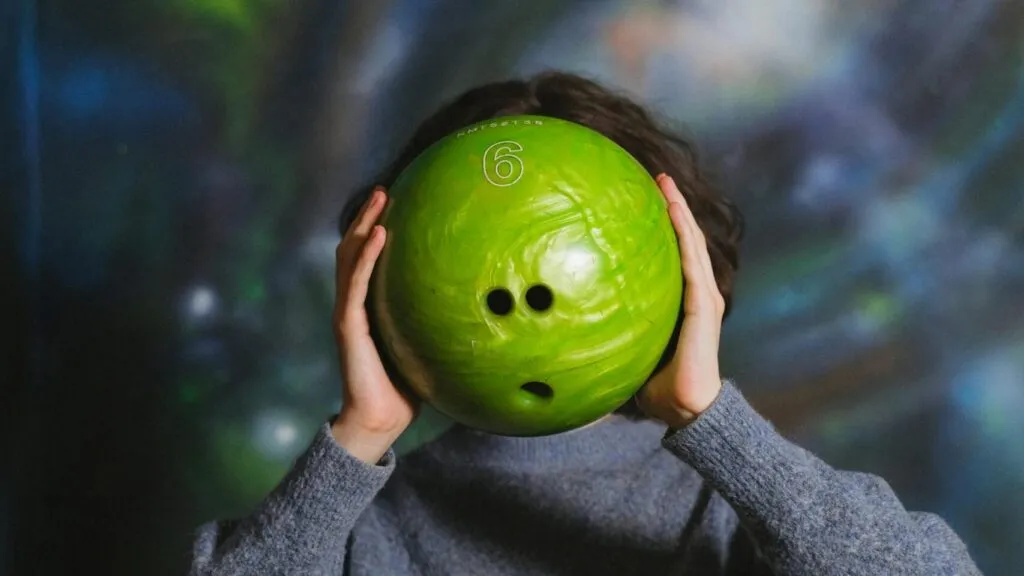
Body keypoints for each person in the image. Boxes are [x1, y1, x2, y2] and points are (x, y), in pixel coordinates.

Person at [190, 71, 980, 575]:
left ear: (681, 269)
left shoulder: (731, 508)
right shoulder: (357, 529)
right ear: (381, 282)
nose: (524, 290)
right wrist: (359, 435)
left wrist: (715, 423)